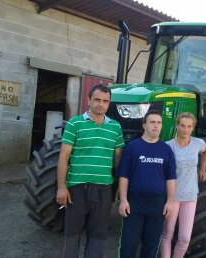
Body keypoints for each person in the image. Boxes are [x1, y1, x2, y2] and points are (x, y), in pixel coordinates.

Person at [56, 84, 124, 258]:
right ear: (88, 100)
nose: (101, 104)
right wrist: (61, 187)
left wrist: (120, 188)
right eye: (97, 100)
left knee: (98, 237)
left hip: (104, 189)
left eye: (105, 101)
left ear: (109, 104)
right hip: (77, 188)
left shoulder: (115, 127)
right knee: (72, 236)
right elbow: (64, 156)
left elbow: (118, 161)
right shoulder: (75, 123)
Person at [116, 110, 177, 258]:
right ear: (144, 125)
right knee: (128, 245)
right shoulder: (132, 147)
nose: (156, 126)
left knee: (151, 247)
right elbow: (124, 176)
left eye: (159, 123)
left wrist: (170, 202)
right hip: (134, 203)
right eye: (152, 122)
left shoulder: (166, 150)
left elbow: (171, 178)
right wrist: (123, 200)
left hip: (157, 204)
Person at [160, 112, 206, 258]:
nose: (186, 130)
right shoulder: (168, 146)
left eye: (189, 126)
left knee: (184, 238)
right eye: (183, 126)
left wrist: (203, 168)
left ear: (193, 128)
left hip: (190, 196)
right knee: (167, 235)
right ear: (177, 126)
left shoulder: (197, 143)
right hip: (172, 197)